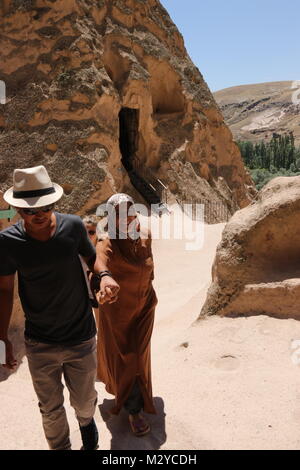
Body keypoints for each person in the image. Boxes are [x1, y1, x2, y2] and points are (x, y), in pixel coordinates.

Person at [0, 165, 116, 450]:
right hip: (40, 342)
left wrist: (105, 275)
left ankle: (88, 433)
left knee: (85, 402)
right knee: (49, 409)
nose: (39, 215)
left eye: (46, 206)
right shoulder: (8, 242)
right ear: (17, 210)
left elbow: (92, 259)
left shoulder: (73, 226)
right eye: (30, 210)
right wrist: (3, 340)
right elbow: (4, 290)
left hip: (81, 336)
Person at [93, 193, 158, 436]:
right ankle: (134, 410)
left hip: (144, 307)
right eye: (119, 213)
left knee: (139, 357)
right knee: (129, 358)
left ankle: (134, 398)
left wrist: (149, 285)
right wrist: (103, 283)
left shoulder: (145, 234)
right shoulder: (107, 241)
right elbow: (99, 265)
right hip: (118, 312)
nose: (127, 216)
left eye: (130, 209)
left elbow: (150, 266)